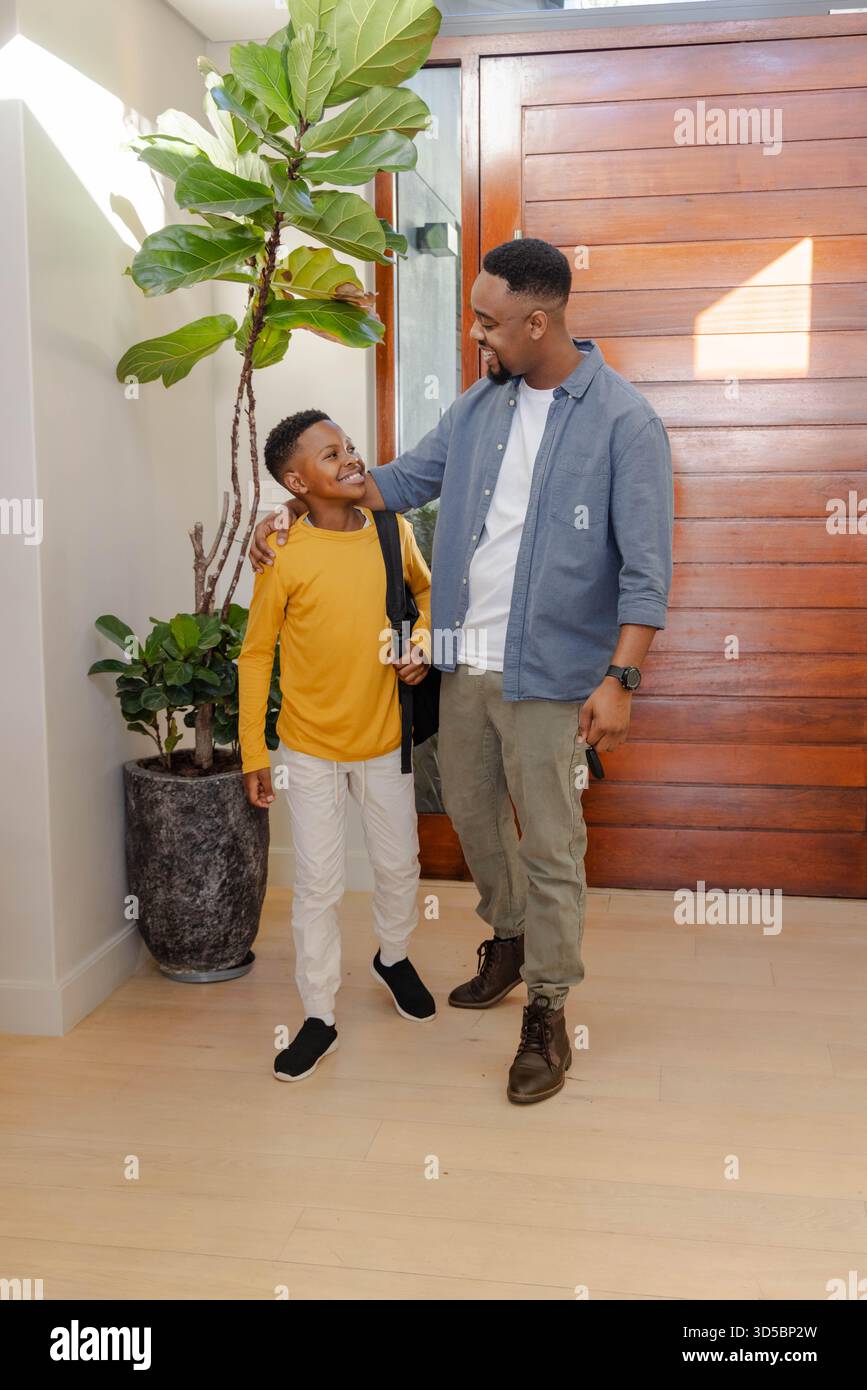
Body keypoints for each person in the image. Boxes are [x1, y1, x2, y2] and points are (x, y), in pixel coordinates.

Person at [249, 239, 674, 1104]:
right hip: (463, 667)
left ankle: (548, 1011)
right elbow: (400, 481)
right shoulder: (483, 405)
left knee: (551, 845)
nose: (476, 337)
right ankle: (510, 939)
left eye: (487, 322)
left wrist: (620, 681)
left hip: (553, 675)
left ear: (537, 320)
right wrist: (299, 503)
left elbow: (646, 570)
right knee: (477, 825)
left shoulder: (624, 423)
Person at [238, 409, 436, 1083]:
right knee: (318, 886)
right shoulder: (283, 549)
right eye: (330, 455)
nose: (351, 459)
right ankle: (318, 1014)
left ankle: (392, 955)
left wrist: (422, 643)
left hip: (385, 739)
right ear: (296, 480)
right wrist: (252, 752)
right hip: (310, 749)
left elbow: (429, 594)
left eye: (349, 447)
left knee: (397, 864)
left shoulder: (393, 529)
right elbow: (255, 652)